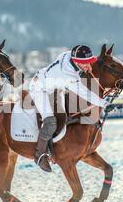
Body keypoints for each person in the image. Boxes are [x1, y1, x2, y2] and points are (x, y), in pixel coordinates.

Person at [29, 44, 111, 172]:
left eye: (89, 62)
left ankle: (57, 145)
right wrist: (105, 103)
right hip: (39, 89)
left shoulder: (68, 55)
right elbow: (86, 94)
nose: (88, 65)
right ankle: (40, 155)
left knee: (64, 115)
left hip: (56, 87)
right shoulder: (68, 76)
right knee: (50, 121)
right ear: (77, 62)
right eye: (85, 63)